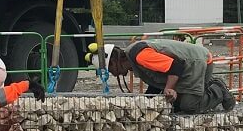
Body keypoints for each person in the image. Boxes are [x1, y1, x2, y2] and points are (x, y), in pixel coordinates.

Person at [101, 39, 235, 114]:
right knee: (175, 107)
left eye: (110, 69)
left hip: (197, 63)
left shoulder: (140, 56)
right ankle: (205, 87)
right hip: (187, 66)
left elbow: (176, 66)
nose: (113, 74)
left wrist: (169, 88)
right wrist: (149, 102)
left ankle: (217, 88)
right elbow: (156, 80)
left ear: (114, 62)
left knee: (189, 106)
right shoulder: (134, 57)